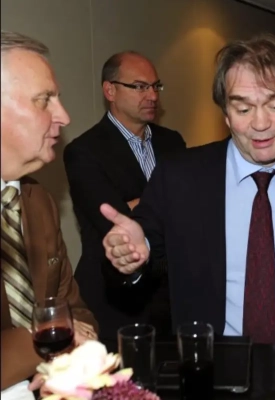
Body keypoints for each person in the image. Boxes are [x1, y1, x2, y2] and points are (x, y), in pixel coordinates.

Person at [99, 34, 275, 400]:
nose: (260, 123)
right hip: (214, 386)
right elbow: (134, 273)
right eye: (243, 108)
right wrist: (128, 258)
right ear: (225, 112)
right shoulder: (180, 178)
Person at [63, 51, 186, 350]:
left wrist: (137, 204)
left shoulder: (172, 141)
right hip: (115, 302)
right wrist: (164, 202)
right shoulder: (83, 151)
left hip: (171, 300)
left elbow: (190, 206)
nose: (152, 96)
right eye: (140, 86)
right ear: (110, 90)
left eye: (155, 86)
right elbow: (114, 220)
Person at [0, 30, 98, 393]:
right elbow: (64, 327)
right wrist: (46, 340)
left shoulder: (37, 200)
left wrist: (68, 361)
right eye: (44, 100)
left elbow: (76, 311)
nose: (64, 116)